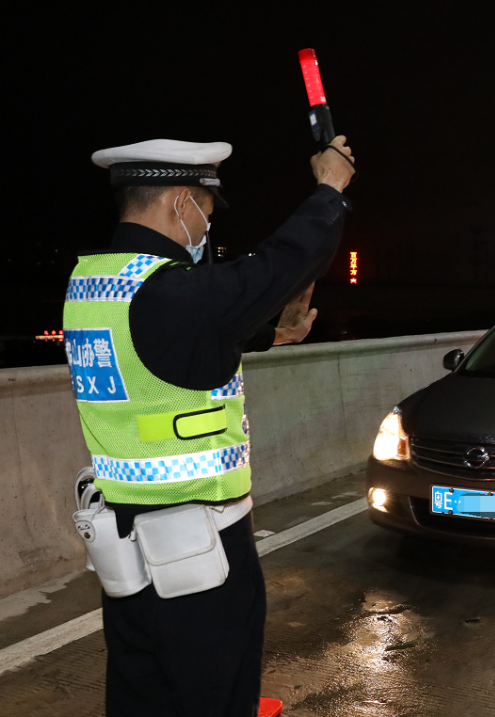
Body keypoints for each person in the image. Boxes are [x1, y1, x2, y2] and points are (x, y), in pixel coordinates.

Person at [63, 136, 354, 716]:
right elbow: (279, 262)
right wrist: (330, 189)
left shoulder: (94, 286)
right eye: (205, 209)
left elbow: (175, 350)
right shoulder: (172, 292)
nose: (205, 228)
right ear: (179, 202)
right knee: (215, 695)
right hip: (201, 554)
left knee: (140, 693)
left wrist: (276, 333)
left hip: (124, 546)